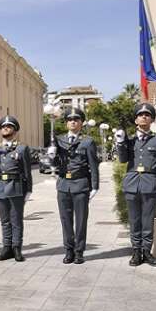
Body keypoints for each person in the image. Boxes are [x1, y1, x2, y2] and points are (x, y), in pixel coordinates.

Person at [115, 103, 156, 267]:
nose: (143, 117)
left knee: (147, 220)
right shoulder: (129, 141)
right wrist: (120, 142)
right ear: (136, 119)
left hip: (151, 184)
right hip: (132, 184)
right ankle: (136, 251)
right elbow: (123, 160)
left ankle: (147, 251)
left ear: (152, 119)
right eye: (140, 115)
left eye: (147, 114)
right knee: (134, 219)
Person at [48, 107, 100, 264]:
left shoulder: (87, 141)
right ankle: (68, 250)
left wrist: (95, 186)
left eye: (76, 119)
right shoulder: (59, 140)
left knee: (81, 220)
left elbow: (93, 164)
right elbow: (56, 163)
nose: (72, 122)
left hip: (81, 184)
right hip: (63, 184)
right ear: (66, 124)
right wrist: (51, 157)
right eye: (69, 120)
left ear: (81, 123)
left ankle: (79, 252)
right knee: (65, 220)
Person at [0, 116, 33, 262]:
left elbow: (27, 171)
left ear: (15, 130)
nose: (5, 128)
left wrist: (28, 190)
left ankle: (17, 248)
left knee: (16, 220)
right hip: (0, 188)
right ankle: (6, 247)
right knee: (4, 221)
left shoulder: (22, 148)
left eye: (9, 126)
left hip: (16, 187)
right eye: (3, 127)